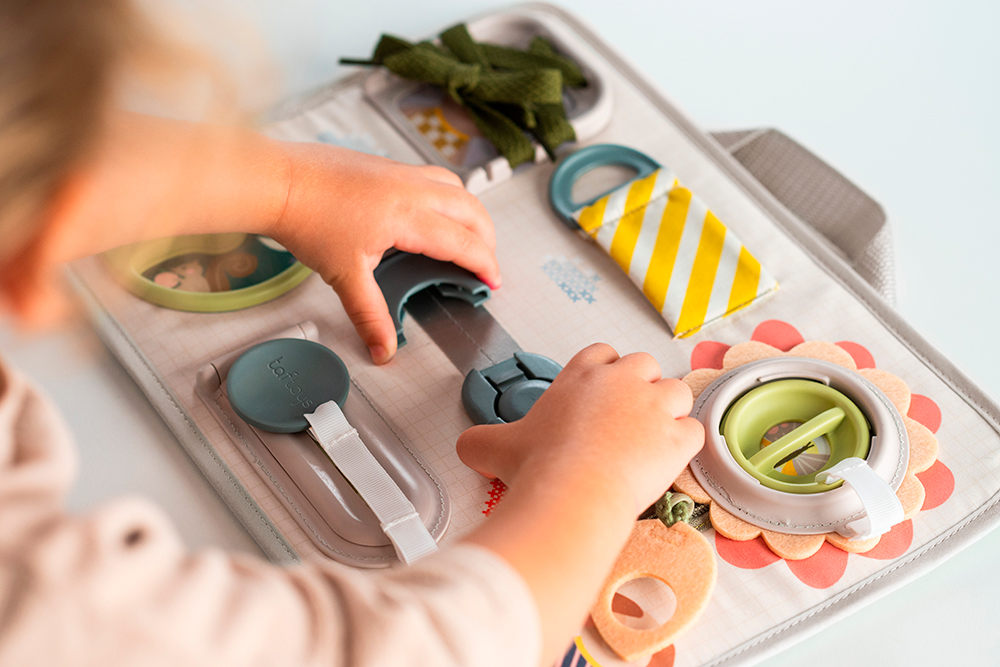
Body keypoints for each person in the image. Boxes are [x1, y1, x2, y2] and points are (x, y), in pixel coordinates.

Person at [0, 1, 704, 665]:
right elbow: (421, 650)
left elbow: (39, 148)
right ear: (30, 278)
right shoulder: (33, 602)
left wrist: (290, 188)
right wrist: (591, 476)